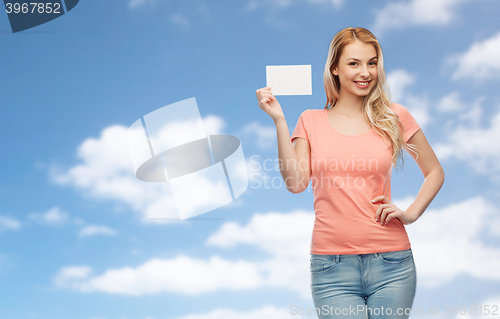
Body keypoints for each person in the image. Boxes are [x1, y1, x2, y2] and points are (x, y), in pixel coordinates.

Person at [255, 27, 445, 319]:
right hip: (331, 268)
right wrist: (280, 121)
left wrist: (411, 213)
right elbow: (295, 183)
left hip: (392, 263)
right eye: (354, 63)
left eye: (371, 63)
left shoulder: (394, 116)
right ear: (335, 68)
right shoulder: (310, 120)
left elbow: (434, 172)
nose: (365, 72)